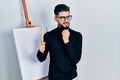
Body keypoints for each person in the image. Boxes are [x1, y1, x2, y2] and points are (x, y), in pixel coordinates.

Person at [37, 4, 82, 80]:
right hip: (55, 77)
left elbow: (76, 59)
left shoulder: (77, 35)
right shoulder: (48, 36)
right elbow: (41, 59)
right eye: (62, 18)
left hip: (72, 77)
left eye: (68, 17)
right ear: (55, 18)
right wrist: (40, 51)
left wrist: (67, 41)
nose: (66, 20)